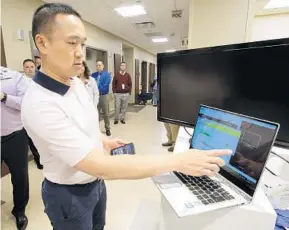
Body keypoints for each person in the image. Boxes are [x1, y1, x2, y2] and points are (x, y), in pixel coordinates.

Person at [21, 3, 231, 230]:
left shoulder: (74, 82)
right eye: (72, 43)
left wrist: (102, 139)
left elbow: (83, 123)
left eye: (82, 43)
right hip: (69, 195)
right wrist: (179, 161)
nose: (80, 52)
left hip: (95, 185)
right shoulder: (40, 103)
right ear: (42, 43)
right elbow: (100, 166)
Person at [1, 66, 29, 230]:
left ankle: (19, 211)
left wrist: (5, 97)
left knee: (20, 177)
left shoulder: (14, 77)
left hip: (14, 136)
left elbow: (27, 103)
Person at [22, 59, 43, 169]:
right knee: (32, 139)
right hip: (28, 115)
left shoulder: (39, 81)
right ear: (23, 69)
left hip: (40, 113)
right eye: (27, 67)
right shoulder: (21, 82)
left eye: (31, 66)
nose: (30, 69)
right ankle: (38, 160)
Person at [92, 61, 111, 136]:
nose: (98, 67)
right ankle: (96, 129)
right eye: (97, 65)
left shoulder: (107, 75)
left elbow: (106, 85)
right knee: (96, 113)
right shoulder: (93, 75)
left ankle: (108, 128)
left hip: (104, 96)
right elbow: (91, 84)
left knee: (106, 113)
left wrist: (97, 89)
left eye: (99, 65)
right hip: (95, 96)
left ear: (103, 66)